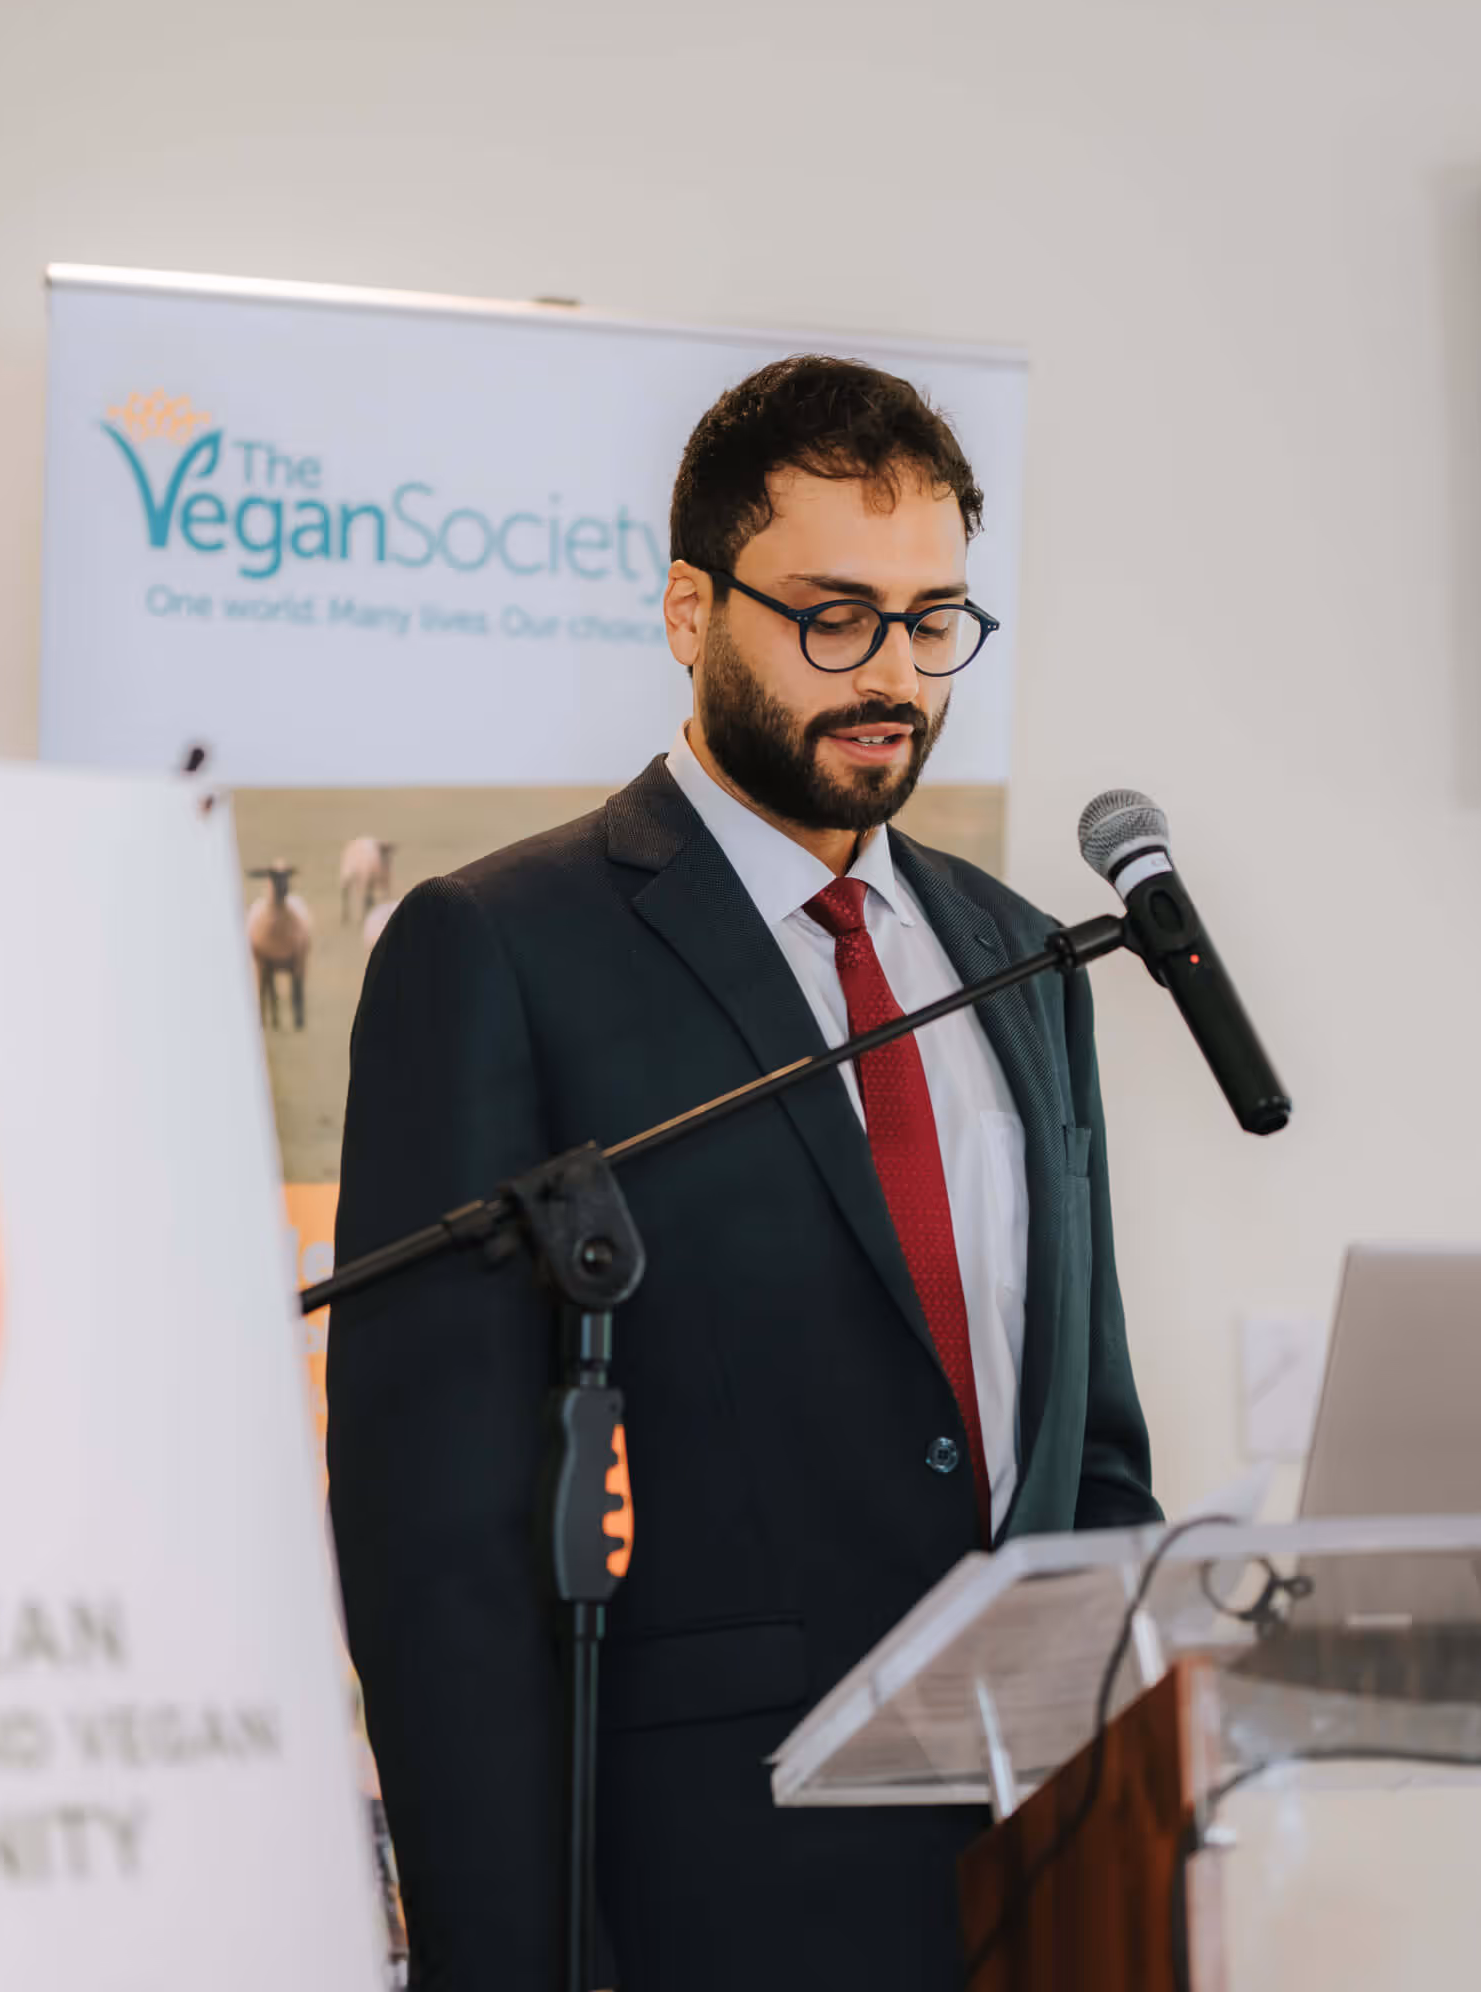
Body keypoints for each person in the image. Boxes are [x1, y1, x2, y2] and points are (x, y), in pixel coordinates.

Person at [327, 355, 1159, 1990]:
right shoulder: (499, 950)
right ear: (689, 611)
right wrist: (518, 1960)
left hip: (1040, 1888)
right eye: (833, 616)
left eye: (934, 622)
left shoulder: (1025, 959)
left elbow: (1096, 1455)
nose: (894, 675)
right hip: (700, 1892)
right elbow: (437, 1549)